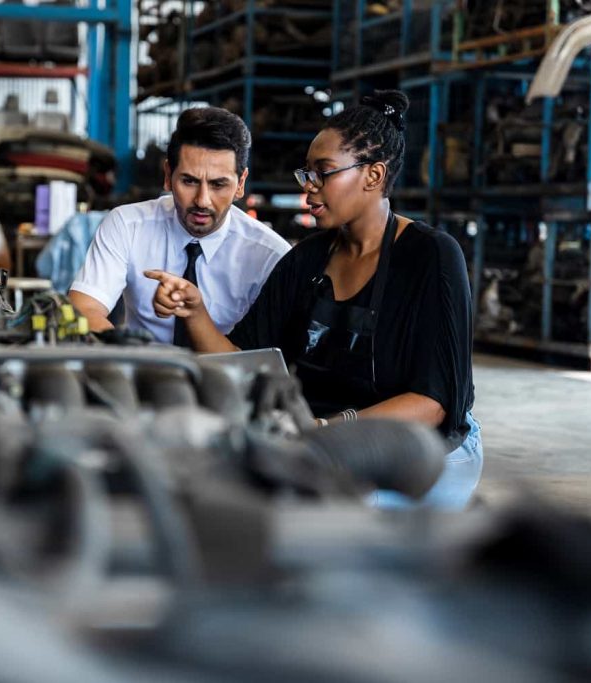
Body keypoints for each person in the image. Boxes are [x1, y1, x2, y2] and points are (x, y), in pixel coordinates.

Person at [144, 91, 482, 509]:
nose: (310, 188)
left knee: (324, 512)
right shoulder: (304, 261)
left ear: (373, 177)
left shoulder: (431, 256)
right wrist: (194, 311)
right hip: (320, 441)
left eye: (323, 173)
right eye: (306, 174)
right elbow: (239, 359)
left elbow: (432, 403)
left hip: (421, 449)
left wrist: (326, 429)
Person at [69, 107, 290, 344]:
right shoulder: (127, 226)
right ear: (167, 175)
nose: (202, 200)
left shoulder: (271, 257)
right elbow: (84, 310)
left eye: (218, 184)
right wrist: (129, 361)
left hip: (230, 377)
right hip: (141, 369)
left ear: (240, 183)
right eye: (189, 181)